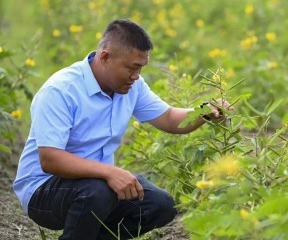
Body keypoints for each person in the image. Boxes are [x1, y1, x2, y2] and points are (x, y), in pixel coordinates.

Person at [13, 19, 232, 240]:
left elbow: (168, 118)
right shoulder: (61, 90)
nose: (136, 76)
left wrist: (205, 111)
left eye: (141, 68)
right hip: (43, 191)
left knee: (160, 204)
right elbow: (50, 159)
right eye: (132, 68)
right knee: (97, 193)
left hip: (97, 187)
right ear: (105, 57)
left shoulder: (131, 86)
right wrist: (110, 172)